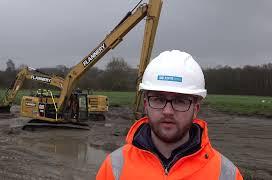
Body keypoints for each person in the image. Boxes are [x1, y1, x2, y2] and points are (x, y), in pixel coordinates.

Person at [96, 50, 243, 180]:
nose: (168, 111)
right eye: (158, 99)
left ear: (196, 109)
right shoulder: (114, 167)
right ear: (146, 105)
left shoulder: (226, 174)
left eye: (180, 101)